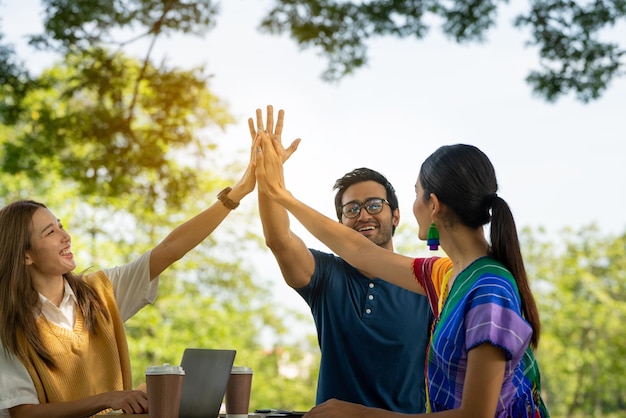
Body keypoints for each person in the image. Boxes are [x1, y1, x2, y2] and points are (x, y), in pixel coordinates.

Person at [255, 128, 550, 418]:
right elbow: (361, 252)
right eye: (352, 209)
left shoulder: (489, 290)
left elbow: (476, 415)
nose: (414, 205)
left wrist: (359, 415)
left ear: (433, 205)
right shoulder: (446, 276)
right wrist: (280, 194)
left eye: (417, 194)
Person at [0, 144, 263, 418]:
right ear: (25, 255)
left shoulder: (100, 292)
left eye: (61, 225)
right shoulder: (8, 323)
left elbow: (170, 249)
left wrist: (238, 192)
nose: (65, 236)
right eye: (50, 232)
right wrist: (109, 399)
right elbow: (24, 413)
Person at [249, 106, 434, 413]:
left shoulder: (423, 281)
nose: (363, 215)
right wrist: (269, 178)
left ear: (396, 215)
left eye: (375, 205)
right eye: (351, 209)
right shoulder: (325, 275)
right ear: (339, 223)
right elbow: (279, 240)